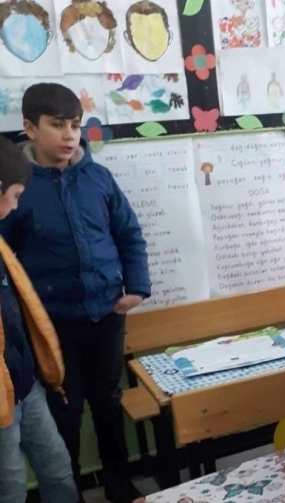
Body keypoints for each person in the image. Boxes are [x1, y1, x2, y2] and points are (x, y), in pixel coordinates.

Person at [0, 83, 151, 503]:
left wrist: (136, 288)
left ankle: (120, 484)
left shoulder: (98, 177)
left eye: (75, 125)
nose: (69, 135)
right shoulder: (18, 187)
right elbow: (6, 258)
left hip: (106, 313)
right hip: (52, 325)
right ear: (29, 128)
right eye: (57, 125)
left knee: (108, 402)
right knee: (64, 411)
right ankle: (72, 493)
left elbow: (128, 234)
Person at [0, 135, 78, 502]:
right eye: (14, 196)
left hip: (25, 384)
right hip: (1, 398)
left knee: (58, 467)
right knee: (10, 484)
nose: (16, 207)